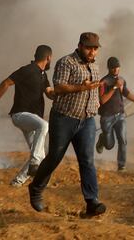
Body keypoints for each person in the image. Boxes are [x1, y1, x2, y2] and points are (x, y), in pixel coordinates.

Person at [28, 33, 106, 217]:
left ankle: (92, 202)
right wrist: (82, 87)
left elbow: (93, 89)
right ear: (80, 46)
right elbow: (60, 87)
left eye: (95, 48)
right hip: (64, 118)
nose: (92, 51)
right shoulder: (66, 62)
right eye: (89, 47)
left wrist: (96, 102)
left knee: (87, 160)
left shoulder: (95, 65)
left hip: (86, 120)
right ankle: (36, 188)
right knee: (55, 156)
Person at [0, 45, 54, 187]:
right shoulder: (27, 70)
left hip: (32, 120)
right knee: (44, 126)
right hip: (20, 114)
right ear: (48, 58)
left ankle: (17, 183)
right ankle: (33, 164)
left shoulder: (43, 75)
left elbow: (50, 93)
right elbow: (6, 82)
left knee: (39, 155)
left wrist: (64, 93)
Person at [95, 57, 134, 171]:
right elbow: (102, 100)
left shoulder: (122, 80)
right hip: (107, 117)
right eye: (113, 68)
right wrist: (115, 87)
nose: (116, 70)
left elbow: (128, 94)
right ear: (109, 68)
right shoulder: (103, 82)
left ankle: (121, 166)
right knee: (109, 145)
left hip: (120, 115)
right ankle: (102, 139)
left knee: (123, 140)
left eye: (117, 67)